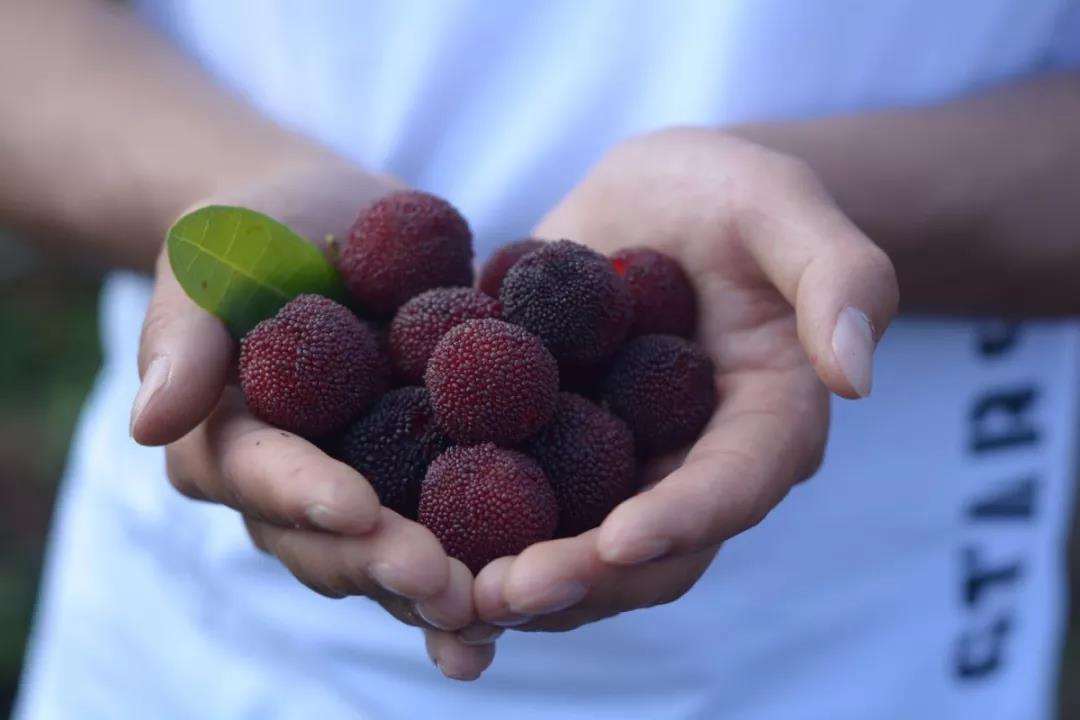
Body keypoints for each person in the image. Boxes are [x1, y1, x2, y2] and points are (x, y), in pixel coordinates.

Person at [3, 0, 1079, 717]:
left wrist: (817, 214)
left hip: (870, 640)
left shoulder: (570, 369)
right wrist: (230, 176)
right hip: (190, 656)